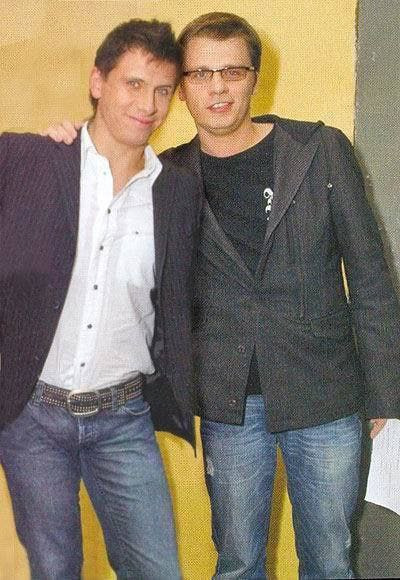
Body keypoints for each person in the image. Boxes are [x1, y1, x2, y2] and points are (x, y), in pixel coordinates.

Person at [44, 12, 400, 579]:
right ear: (181, 87)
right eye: (200, 74)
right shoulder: (164, 179)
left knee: (331, 561)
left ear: (255, 77)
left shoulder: (319, 150)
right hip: (228, 400)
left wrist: (383, 389)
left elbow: (371, 276)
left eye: (232, 72)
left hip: (326, 392)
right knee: (236, 562)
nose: (217, 88)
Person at [0, 18, 201, 580]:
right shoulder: (27, 160)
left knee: (158, 570)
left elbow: (180, 301)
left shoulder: (178, 192)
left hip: (124, 419)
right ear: (97, 82)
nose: (148, 104)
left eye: (162, 90)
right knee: (55, 568)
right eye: (133, 84)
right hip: (33, 418)